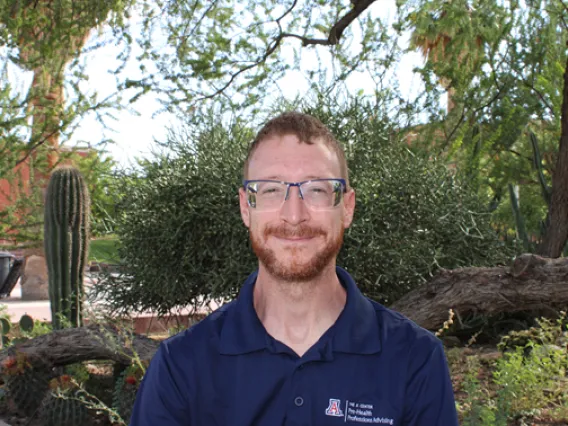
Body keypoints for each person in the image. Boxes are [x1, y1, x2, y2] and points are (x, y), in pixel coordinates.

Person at [129, 112, 459, 426]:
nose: (294, 215)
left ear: (346, 207)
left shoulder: (415, 361)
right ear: (246, 207)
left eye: (316, 189)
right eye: (271, 190)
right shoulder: (181, 365)